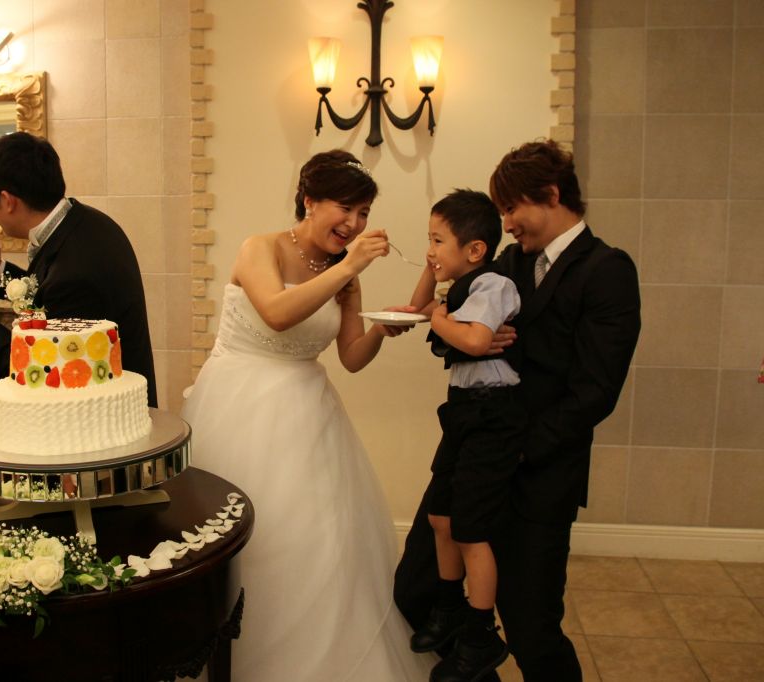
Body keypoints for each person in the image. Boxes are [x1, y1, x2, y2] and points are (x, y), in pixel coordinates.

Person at [393, 140, 641, 682]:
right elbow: (451, 335)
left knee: (531, 629)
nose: (505, 223)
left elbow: (595, 391)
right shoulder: (507, 263)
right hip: (474, 448)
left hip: (539, 470)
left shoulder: (607, 270)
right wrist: (464, 335)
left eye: (512, 208)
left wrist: (520, 447)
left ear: (550, 195)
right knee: (416, 590)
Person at [181, 149, 431, 680]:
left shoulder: (344, 273)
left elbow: (351, 358)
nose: (354, 223)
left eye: (363, 213)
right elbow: (276, 313)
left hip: (310, 414)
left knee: (320, 544)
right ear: (310, 200)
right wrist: (352, 266)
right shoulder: (261, 248)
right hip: (241, 406)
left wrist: (381, 328)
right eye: (346, 208)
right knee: (248, 538)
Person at [403, 189, 526, 680]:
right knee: (441, 516)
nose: (430, 250)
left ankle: (480, 633)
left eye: (438, 240)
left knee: (471, 530)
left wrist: (438, 318)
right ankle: (450, 605)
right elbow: (416, 307)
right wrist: (431, 275)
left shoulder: (493, 284)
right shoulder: (460, 288)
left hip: (492, 415)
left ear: (475, 250)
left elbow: (474, 340)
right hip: (463, 411)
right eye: (428, 239)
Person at [0, 132, 157, 407]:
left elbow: (44, 364)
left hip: (102, 411)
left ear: (7, 200)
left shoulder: (74, 271)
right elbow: (45, 296)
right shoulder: (84, 222)